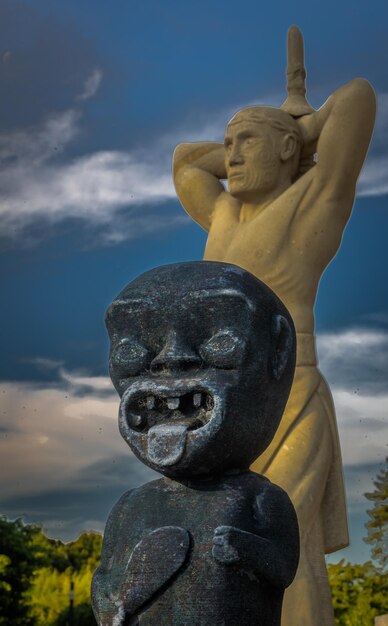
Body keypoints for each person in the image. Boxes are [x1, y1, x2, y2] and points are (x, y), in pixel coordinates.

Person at [172, 27, 376, 626]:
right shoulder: (222, 213)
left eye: (246, 143)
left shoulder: (316, 201)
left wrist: (303, 130)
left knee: (283, 533)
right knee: (221, 532)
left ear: (289, 152)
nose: (230, 155)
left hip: (288, 391)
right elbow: (186, 160)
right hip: (217, 399)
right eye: (229, 143)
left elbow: (360, 97)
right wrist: (267, 133)